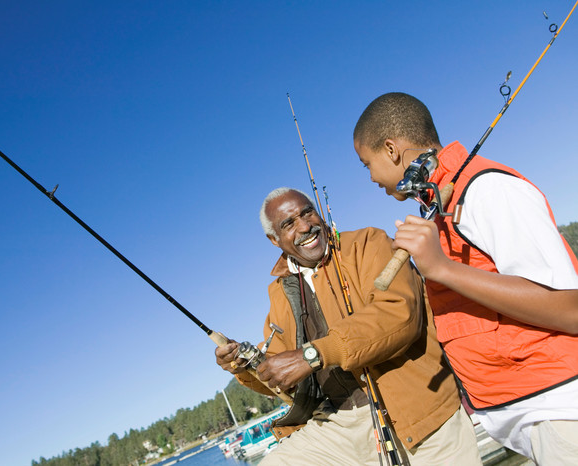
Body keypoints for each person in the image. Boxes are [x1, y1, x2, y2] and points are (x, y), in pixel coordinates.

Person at [353, 91, 578, 463]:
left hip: (558, 410)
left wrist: (441, 268)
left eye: (367, 164)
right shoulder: (439, 206)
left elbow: (569, 307)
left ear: (391, 149)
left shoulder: (487, 188)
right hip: (527, 418)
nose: (372, 177)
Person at [215, 187, 481, 465]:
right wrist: (243, 367)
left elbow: (399, 314)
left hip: (420, 413)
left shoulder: (369, 243)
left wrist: (313, 354)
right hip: (338, 426)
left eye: (307, 212)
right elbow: (283, 377)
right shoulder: (279, 293)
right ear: (274, 239)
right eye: (289, 224)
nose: (305, 226)